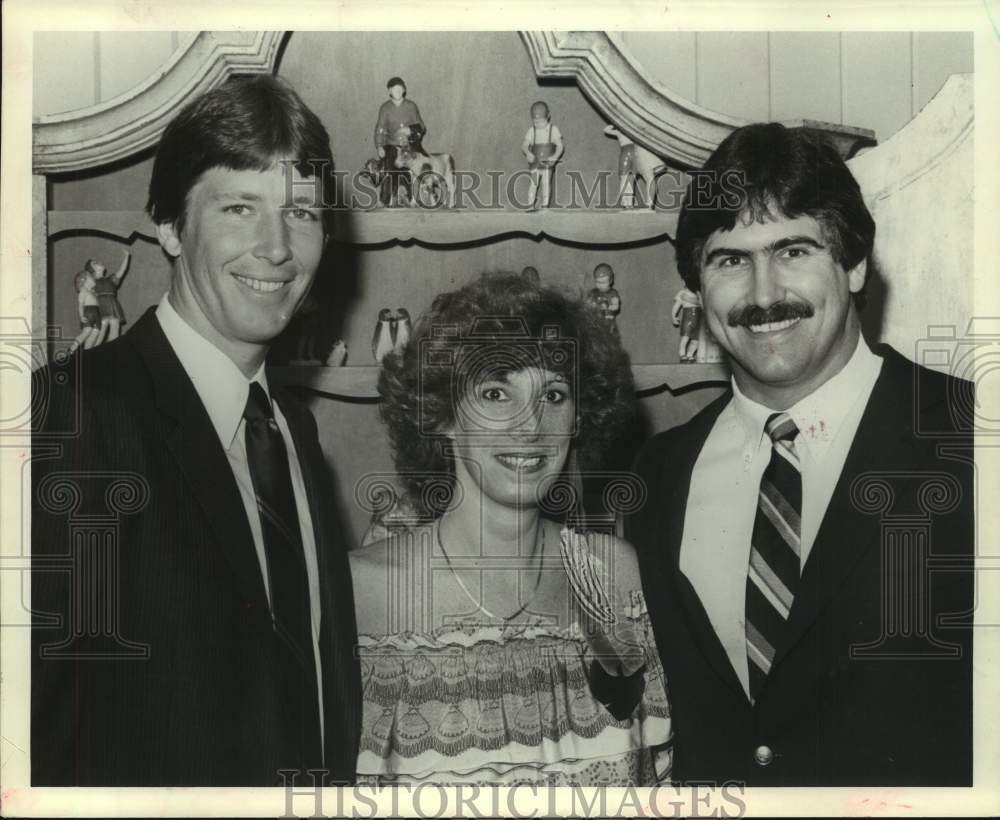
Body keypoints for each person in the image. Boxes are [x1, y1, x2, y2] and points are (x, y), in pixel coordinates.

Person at [31, 75, 361, 786]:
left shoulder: (292, 433)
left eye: (301, 213)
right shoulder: (77, 412)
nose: (276, 249)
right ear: (171, 226)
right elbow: (31, 727)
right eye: (240, 207)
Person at [626, 123, 973, 786]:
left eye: (793, 250)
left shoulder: (972, 437)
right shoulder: (660, 472)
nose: (763, 295)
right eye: (731, 259)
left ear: (855, 263)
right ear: (697, 287)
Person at [350, 274, 672, 785]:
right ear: (441, 416)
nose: (530, 425)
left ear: (579, 419)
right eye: (496, 392)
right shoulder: (362, 591)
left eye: (554, 395)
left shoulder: (613, 575)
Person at [373, 76, 426, 207]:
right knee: (390, 167)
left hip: (410, 145)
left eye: (400, 89)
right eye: (394, 89)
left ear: (404, 90)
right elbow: (380, 128)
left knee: (415, 167)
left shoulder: (411, 106)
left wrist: (411, 129)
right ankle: (385, 200)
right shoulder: (385, 108)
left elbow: (422, 126)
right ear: (389, 91)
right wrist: (379, 146)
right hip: (391, 145)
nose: (397, 91)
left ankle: (410, 198)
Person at [522, 101, 564, 210]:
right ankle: (530, 205)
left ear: (548, 116)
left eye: (541, 121)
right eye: (536, 122)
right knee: (533, 183)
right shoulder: (532, 130)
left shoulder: (553, 129)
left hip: (547, 164)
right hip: (535, 164)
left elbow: (560, 146)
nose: (539, 124)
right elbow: (524, 145)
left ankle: (545, 206)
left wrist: (555, 157)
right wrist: (527, 153)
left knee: (546, 183)